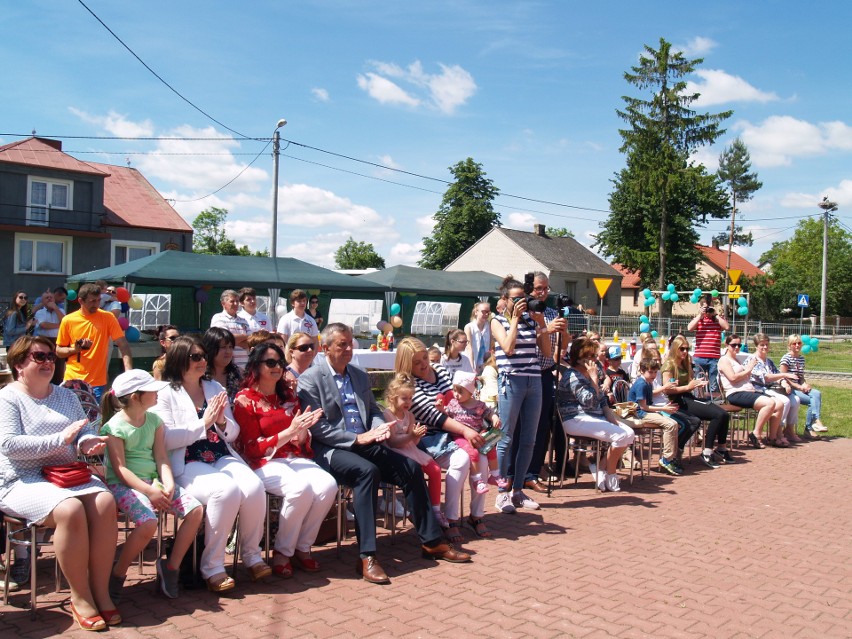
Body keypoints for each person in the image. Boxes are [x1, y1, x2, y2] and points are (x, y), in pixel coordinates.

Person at [299, 324, 470, 585]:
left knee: (411, 468)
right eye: (341, 345)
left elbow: (373, 409)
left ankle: (432, 541)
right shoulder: (310, 379)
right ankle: (366, 555)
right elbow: (319, 428)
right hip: (334, 449)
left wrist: (379, 428)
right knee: (367, 473)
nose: (348, 349)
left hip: (368, 442)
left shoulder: (357, 374)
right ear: (325, 349)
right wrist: (356, 438)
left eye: (350, 343)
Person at [0, 336, 118, 630]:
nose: (49, 362)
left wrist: (90, 442)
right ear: (19, 365)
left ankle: (100, 591)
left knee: (105, 502)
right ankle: (80, 596)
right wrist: (59, 439)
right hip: (21, 479)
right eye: (39, 357)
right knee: (69, 510)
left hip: (65, 472)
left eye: (51, 356)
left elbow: (81, 433)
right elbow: (9, 445)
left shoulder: (65, 395)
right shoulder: (8, 398)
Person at [153, 335, 270, 593]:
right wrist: (203, 423)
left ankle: (252, 556)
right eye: (195, 357)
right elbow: (166, 439)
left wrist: (221, 421)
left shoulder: (214, 388)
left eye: (203, 356)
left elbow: (233, 433)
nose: (202, 361)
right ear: (179, 360)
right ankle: (213, 567)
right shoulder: (163, 394)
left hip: (219, 453)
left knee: (253, 486)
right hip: (186, 459)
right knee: (225, 490)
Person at [233, 343, 337, 578]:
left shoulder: (288, 395)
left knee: (327, 485)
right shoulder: (244, 400)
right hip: (263, 462)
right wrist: (289, 433)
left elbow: (299, 437)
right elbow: (252, 448)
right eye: (270, 362)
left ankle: (302, 546)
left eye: (280, 362)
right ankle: (282, 552)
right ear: (256, 366)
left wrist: (303, 432)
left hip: (293, 456)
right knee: (300, 489)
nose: (277, 367)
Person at [100, 370, 203, 600]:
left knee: (195, 511)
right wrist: (149, 491)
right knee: (148, 523)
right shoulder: (114, 427)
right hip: (125, 486)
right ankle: (117, 575)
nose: (157, 392)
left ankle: (171, 568)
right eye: (152, 390)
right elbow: (121, 470)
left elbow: (161, 458)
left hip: (154, 483)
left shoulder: (155, 421)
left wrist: (167, 484)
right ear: (136, 396)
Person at [395, 337, 489, 539]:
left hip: (456, 431)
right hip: (430, 438)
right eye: (417, 362)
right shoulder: (409, 385)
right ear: (406, 365)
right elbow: (435, 418)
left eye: (424, 358)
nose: (424, 365)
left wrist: (474, 424)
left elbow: (459, 399)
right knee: (462, 460)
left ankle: (477, 515)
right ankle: (451, 519)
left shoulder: (441, 370)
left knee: (482, 456)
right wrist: (466, 431)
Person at [489, 276, 551, 512]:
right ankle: (502, 492)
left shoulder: (530, 320)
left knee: (529, 439)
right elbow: (508, 347)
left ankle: (518, 490)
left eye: (522, 299)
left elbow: (546, 351)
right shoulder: (497, 321)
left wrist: (542, 322)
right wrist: (514, 319)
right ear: (504, 300)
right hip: (511, 380)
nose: (520, 303)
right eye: (515, 299)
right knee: (506, 438)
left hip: (534, 380)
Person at [556, 336, 636, 492]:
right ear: (580, 358)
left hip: (594, 417)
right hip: (574, 419)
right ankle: (611, 473)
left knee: (629, 434)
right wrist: (594, 380)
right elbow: (589, 401)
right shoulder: (572, 376)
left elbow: (601, 399)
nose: (594, 360)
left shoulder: (589, 374)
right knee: (620, 436)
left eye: (594, 356)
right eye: (590, 356)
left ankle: (602, 467)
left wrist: (609, 415)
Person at [382, 373, 447, 527]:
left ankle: (435, 509)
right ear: (392, 398)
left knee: (435, 470)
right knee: (414, 472)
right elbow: (392, 442)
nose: (408, 402)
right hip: (396, 452)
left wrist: (417, 435)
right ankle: (416, 510)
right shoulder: (387, 415)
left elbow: (415, 441)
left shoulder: (409, 415)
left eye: (411, 398)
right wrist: (411, 436)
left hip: (411, 449)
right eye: (405, 398)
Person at [525, 272, 568, 492]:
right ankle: (517, 471)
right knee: (524, 425)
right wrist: (545, 329)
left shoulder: (551, 313)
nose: (542, 293)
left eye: (546, 289)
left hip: (544, 372)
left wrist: (564, 332)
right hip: (523, 374)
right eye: (538, 289)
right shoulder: (523, 312)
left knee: (542, 425)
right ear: (529, 288)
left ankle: (534, 470)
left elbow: (561, 346)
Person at [55, 283, 133, 401]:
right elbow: (59, 351)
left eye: (98, 300)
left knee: (94, 418)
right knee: (72, 418)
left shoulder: (108, 317)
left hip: (97, 382)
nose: (96, 304)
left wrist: (128, 372)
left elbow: (123, 345)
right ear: (81, 301)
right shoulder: (68, 320)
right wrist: (75, 349)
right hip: (72, 380)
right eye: (92, 301)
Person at [662, 335, 731, 467]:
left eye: (687, 349)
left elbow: (691, 382)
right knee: (718, 415)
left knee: (724, 414)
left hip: (689, 398)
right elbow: (667, 390)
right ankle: (707, 451)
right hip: (678, 401)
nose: (685, 352)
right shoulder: (669, 365)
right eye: (681, 349)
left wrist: (696, 383)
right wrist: (688, 387)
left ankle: (721, 448)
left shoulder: (685, 363)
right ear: (675, 349)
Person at [718, 334, 784, 449]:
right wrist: (748, 369)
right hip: (735, 393)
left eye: (739, 345)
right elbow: (732, 378)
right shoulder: (724, 360)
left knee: (779, 404)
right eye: (734, 345)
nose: (737, 347)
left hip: (748, 391)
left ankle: (773, 437)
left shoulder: (737, 359)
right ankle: (756, 433)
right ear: (727, 345)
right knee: (769, 403)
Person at [443, 371, 502, 499]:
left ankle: (495, 474)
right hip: (460, 437)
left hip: (477, 434)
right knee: (473, 453)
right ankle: (477, 479)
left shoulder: (478, 405)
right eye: (454, 390)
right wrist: (440, 409)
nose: (456, 395)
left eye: (460, 392)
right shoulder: (454, 404)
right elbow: (445, 415)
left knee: (491, 447)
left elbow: (489, 412)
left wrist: (495, 418)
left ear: (470, 392)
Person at [627, 359, 683, 475]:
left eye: (655, 372)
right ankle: (667, 458)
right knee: (670, 424)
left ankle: (670, 457)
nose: (653, 375)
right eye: (650, 372)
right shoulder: (641, 384)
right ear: (642, 371)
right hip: (638, 414)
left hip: (645, 411)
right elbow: (643, 407)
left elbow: (649, 400)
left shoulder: (648, 382)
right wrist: (663, 409)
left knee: (674, 423)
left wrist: (664, 407)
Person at [745, 333, 800, 446]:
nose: (765, 347)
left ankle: (784, 431)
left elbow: (776, 375)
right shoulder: (752, 359)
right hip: (758, 389)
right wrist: (785, 375)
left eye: (767, 344)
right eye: (762, 345)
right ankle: (777, 434)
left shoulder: (768, 361)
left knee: (795, 399)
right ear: (756, 346)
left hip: (770, 388)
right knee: (785, 401)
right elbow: (766, 377)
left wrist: (784, 383)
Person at [780, 334, 827, 435]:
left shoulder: (801, 359)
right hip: (789, 389)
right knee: (812, 401)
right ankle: (811, 427)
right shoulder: (786, 358)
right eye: (794, 343)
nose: (797, 345)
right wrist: (798, 386)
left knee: (816, 393)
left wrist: (805, 384)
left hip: (799, 388)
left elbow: (800, 377)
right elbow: (783, 376)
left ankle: (814, 423)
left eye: (799, 343)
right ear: (789, 345)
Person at [687, 295, 729, 395]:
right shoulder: (699, 320)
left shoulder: (718, 320)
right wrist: (700, 315)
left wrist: (716, 315)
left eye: (710, 307)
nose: (708, 310)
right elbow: (689, 328)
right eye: (706, 308)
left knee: (713, 383)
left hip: (714, 357)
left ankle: (713, 402)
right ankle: (698, 400)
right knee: (699, 382)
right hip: (700, 356)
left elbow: (726, 327)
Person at [210, 290, 251, 370]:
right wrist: (245, 336)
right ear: (223, 304)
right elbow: (224, 339)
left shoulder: (244, 320)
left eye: (237, 301)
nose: (236, 304)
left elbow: (250, 342)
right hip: (227, 366)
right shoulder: (218, 318)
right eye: (232, 301)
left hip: (244, 366)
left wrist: (234, 339)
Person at [203, 327, 244, 405]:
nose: (228, 351)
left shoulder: (239, 374)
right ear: (210, 348)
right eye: (223, 347)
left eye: (230, 347)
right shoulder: (200, 375)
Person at [463, 302, 492, 374]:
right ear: (476, 312)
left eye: (488, 312)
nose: (486, 314)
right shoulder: (469, 327)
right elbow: (469, 348)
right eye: (483, 312)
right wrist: (472, 367)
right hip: (472, 363)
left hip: (486, 366)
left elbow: (491, 346)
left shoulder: (490, 326)